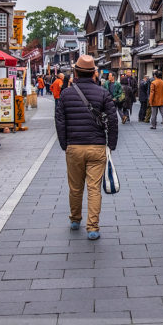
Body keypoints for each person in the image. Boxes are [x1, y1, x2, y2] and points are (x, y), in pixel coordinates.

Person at [55, 55, 118, 240]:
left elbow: (60, 121)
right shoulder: (103, 93)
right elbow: (113, 120)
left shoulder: (66, 94)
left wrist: (64, 143)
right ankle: (93, 227)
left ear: (75, 72)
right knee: (93, 188)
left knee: (75, 187)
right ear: (93, 74)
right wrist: (111, 144)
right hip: (97, 146)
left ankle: (75, 219)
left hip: (74, 146)